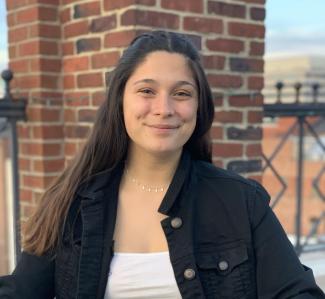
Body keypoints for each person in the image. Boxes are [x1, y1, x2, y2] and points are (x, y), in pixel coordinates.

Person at [0, 30, 324, 299]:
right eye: (146, 90)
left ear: (199, 107)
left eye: (181, 93)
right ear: (120, 101)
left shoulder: (242, 202)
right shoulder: (71, 203)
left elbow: (297, 293)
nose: (163, 108)